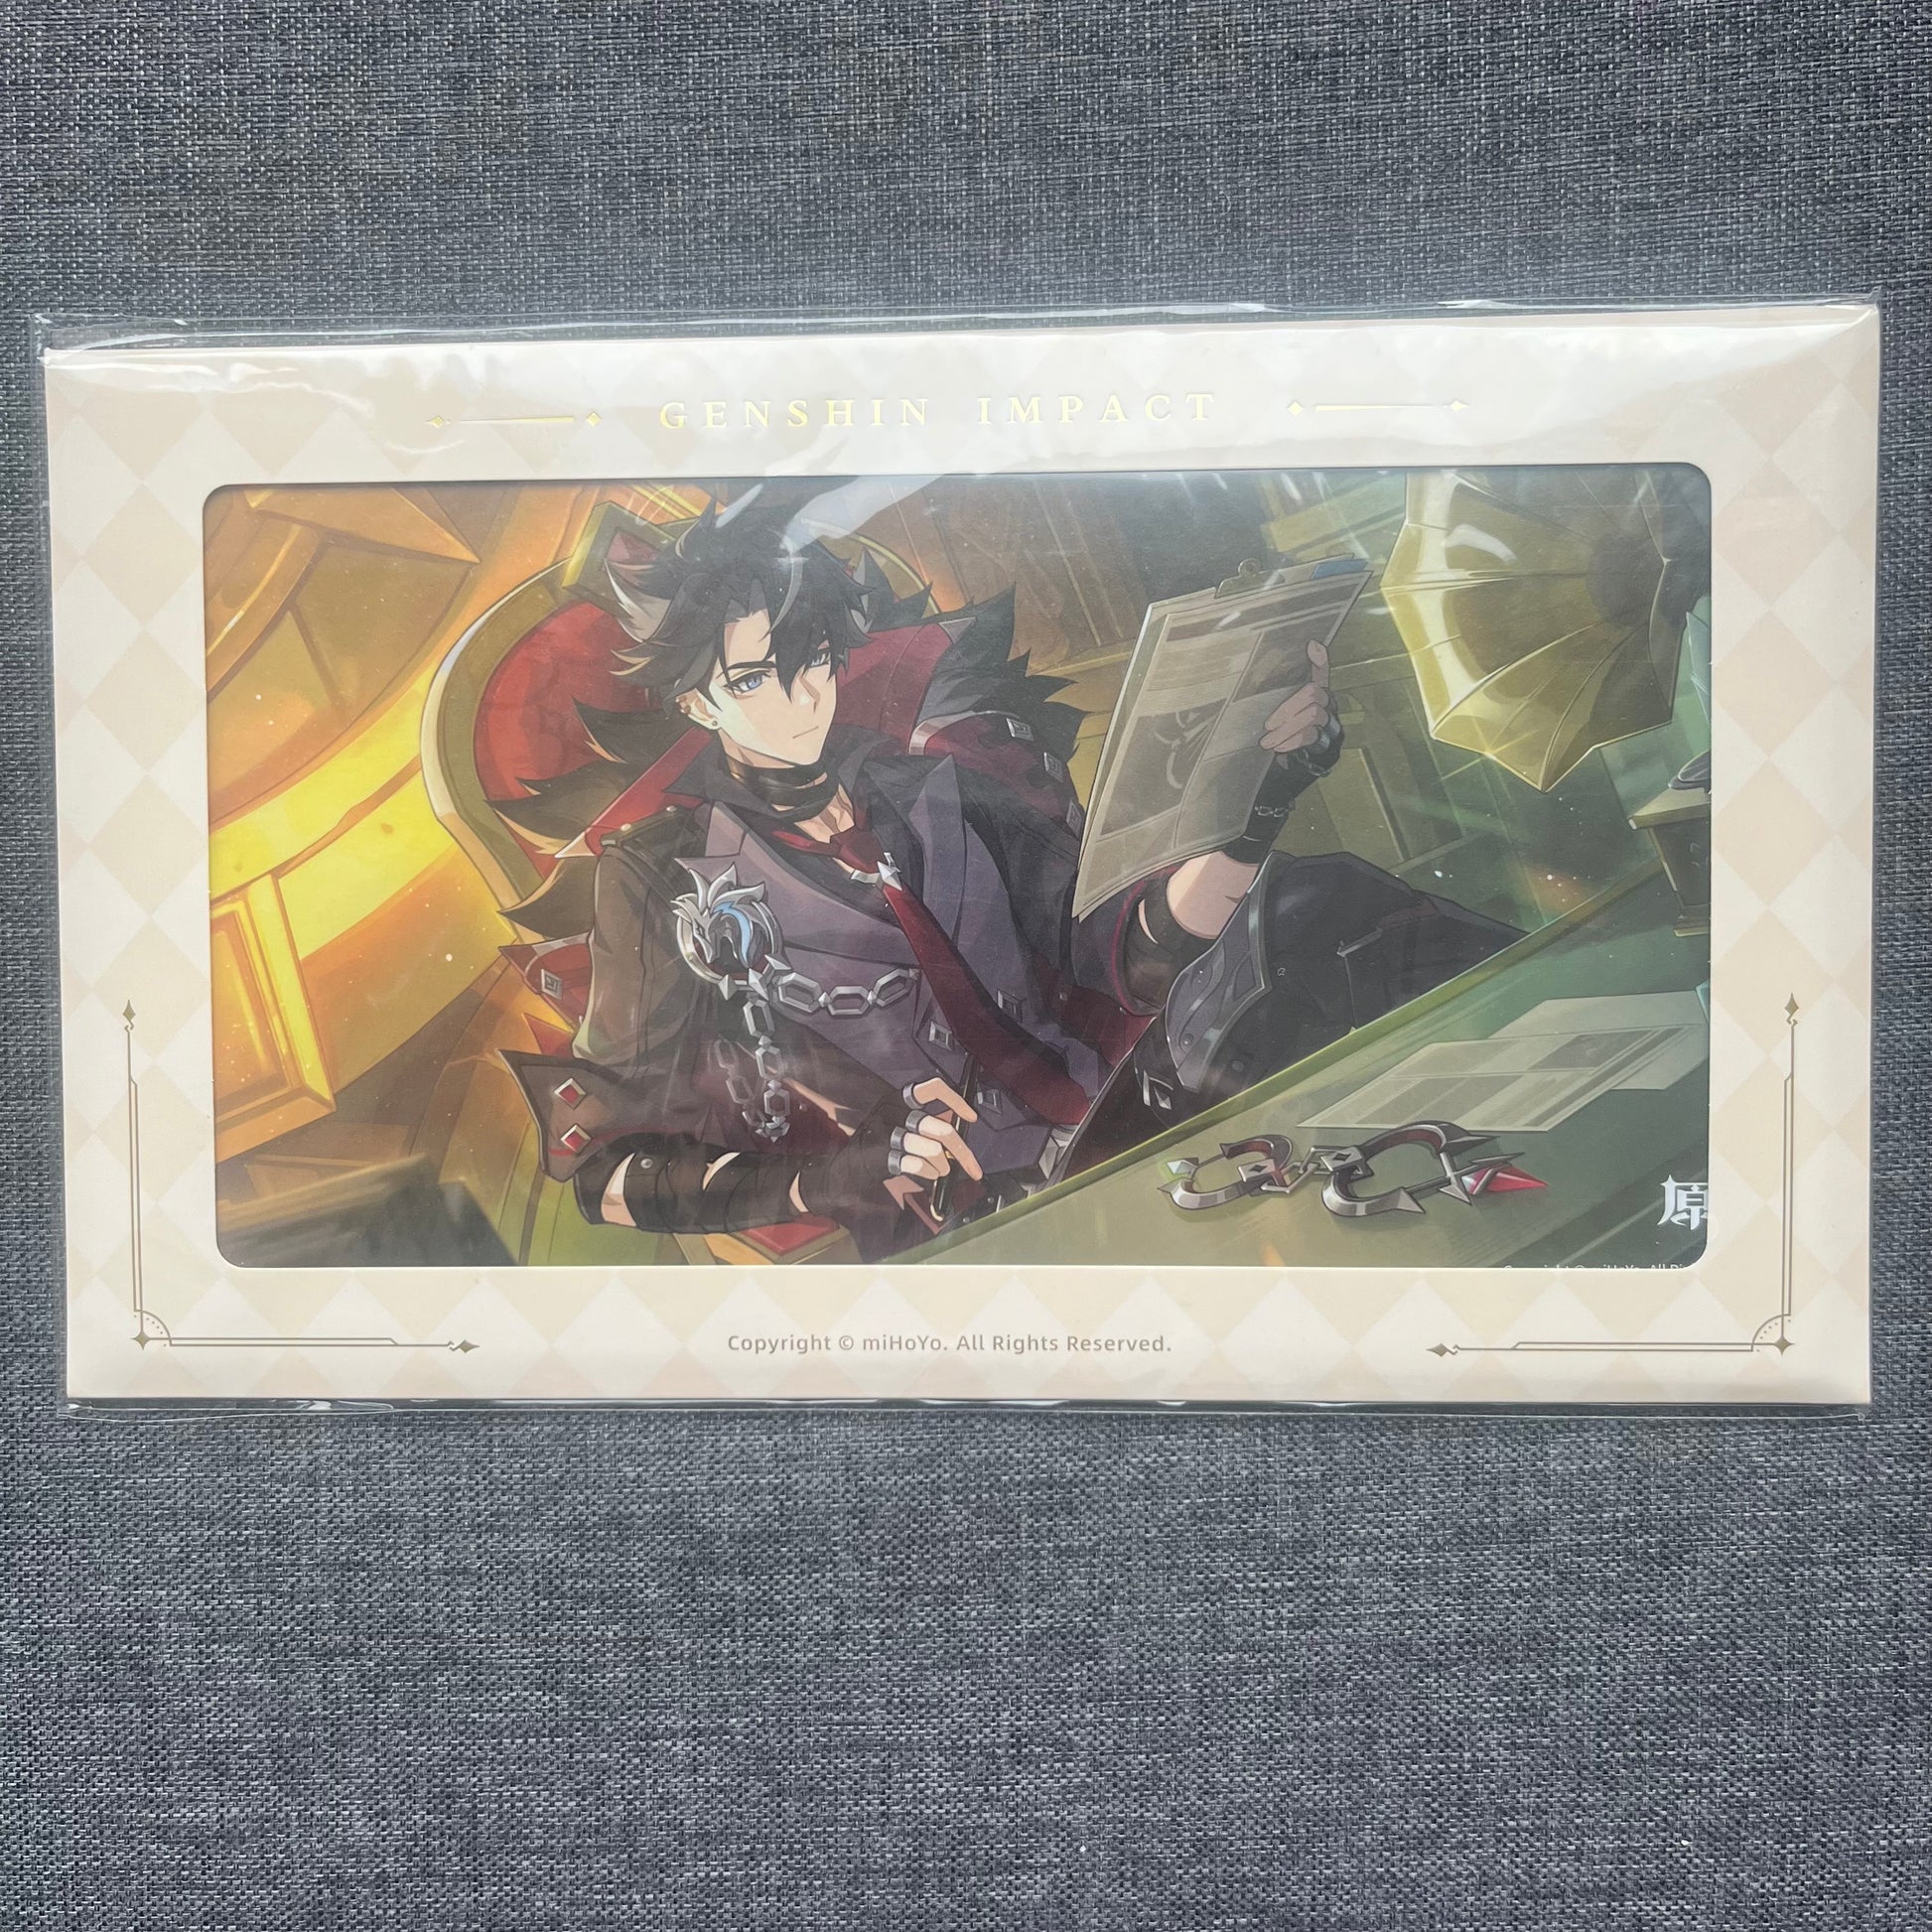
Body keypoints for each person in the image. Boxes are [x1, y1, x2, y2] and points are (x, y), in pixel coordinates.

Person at [504, 490, 1511, 1259]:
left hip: (1137, 1099)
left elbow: (1123, 957)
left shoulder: (932, 784)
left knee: (1308, 896)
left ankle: (1550, 1048)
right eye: (753, 678)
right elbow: (607, 1169)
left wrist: (1259, 807)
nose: (799, 698)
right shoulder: (662, 876)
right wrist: (830, 1177)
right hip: (979, 1215)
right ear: (696, 705)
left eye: (809, 659)